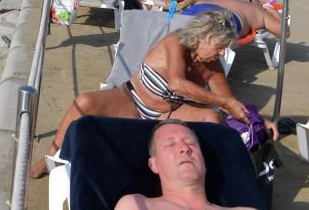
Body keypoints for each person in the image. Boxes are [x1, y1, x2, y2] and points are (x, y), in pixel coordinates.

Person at [30, 12, 251, 179]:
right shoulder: (176, 42)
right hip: (131, 100)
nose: (222, 52)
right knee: (83, 102)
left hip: (168, 113)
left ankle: (201, 178)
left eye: (225, 48)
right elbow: (177, 84)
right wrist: (223, 102)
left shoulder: (212, 66)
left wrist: (256, 120)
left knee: (212, 119)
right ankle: (50, 157)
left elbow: (229, 103)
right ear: (202, 37)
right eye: (219, 46)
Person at [114, 120, 258, 210]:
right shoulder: (136, 205)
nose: (185, 148)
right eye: (171, 144)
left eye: (191, 143)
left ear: (204, 163)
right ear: (154, 165)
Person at [180, 0, 290, 38]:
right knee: (204, 36)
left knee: (176, 30)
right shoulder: (259, 10)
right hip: (227, 17)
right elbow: (284, 32)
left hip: (199, 7)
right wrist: (275, 13)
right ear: (251, 1)